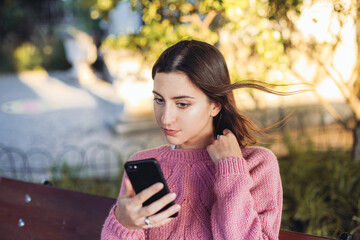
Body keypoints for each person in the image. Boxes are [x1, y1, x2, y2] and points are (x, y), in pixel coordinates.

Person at [101, 40, 283, 239]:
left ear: (215, 105)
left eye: (182, 104)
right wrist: (123, 223)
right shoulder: (143, 163)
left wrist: (230, 169)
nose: (165, 117)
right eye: (159, 100)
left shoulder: (256, 164)